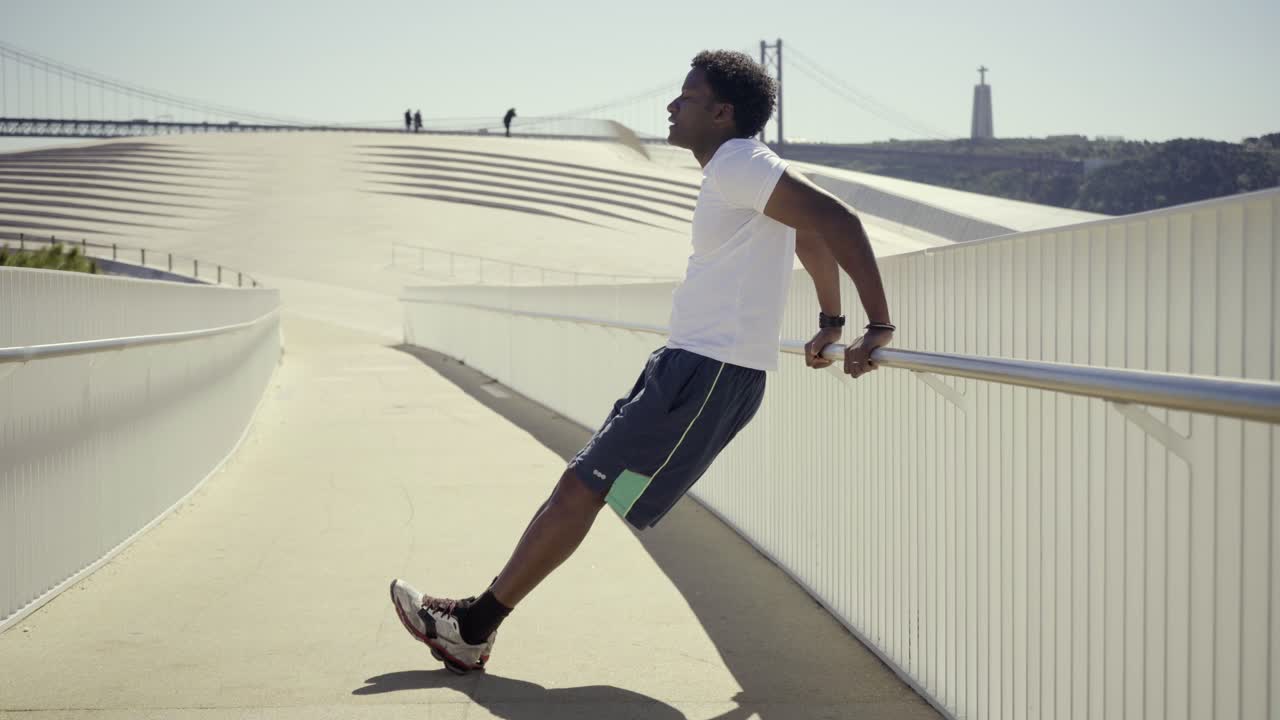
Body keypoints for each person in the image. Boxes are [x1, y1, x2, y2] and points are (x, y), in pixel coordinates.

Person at [390, 50, 895, 675]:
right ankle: (474, 625)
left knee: (582, 486)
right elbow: (811, 235)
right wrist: (830, 322)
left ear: (721, 111)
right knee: (588, 486)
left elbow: (835, 220)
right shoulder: (740, 170)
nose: (671, 105)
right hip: (692, 369)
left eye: (686, 96)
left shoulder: (739, 159)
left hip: (706, 374)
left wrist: (874, 325)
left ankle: (471, 627)